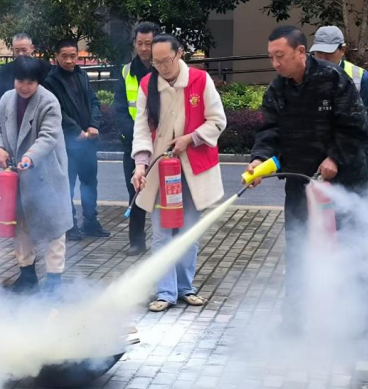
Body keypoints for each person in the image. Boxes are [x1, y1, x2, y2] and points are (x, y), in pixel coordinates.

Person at [244, 26, 368, 330]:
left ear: (301, 52)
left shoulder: (333, 79)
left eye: (280, 56)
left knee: (349, 247)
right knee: (298, 247)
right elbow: (269, 130)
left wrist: (334, 157)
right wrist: (259, 160)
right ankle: (295, 320)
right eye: (271, 57)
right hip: (301, 182)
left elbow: (355, 126)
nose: (275, 63)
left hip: (344, 182)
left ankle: (355, 320)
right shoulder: (278, 89)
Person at [131, 34, 227, 312]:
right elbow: (141, 128)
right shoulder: (147, 84)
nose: (162, 67)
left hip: (193, 168)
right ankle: (165, 292)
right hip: (161, 169)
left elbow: (218, 120)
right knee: (162, 233)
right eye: (156, 62)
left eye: (167, 61)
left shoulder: (200, 80)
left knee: (187, 232)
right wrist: (140, 164)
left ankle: (185, 287)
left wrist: (191, 138)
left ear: (180, 54)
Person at [0, 56, 73, 294]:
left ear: (38, 82)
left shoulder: (49, 101)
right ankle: (27, 276)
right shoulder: (7, 99)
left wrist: (29, 157)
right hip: (17, 176)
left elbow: (49, 136)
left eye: (30, 82)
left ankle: (54, 282)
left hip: (47, 173)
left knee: (55, 228)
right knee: (20, 224)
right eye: (20, 81)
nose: (24, 87)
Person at [44, 39, 109, 241]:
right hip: (67, 143)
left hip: (88, 141)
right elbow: (56, 111)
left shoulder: (82, 75)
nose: (69, 60)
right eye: (64, 56)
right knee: (68, 184)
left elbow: (94, 102)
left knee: (89, 183)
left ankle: (90, 221)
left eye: (73, 56)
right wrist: (75, 130)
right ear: (56, 56)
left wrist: (93, 125)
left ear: (78, 55)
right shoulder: (50, 82)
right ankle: (69, 224)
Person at [114, 21, 160, 256]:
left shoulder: (164, 69)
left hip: (162, 143)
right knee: (135, 192)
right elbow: (120, 109)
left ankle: (165, 241)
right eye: (139, 43)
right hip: (133, 144)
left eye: (148, 43)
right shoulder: (126, 72)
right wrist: (136, 136)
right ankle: (137, 242)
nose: (143, 48)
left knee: (165, 193)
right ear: (134, 44)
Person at [310, 26, 368, 110]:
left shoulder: (360, 78)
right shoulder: (305, 74)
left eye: (329, 52)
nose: (323, 58)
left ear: (343, 50)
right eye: (319, 52)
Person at [0, 33, 53, 114]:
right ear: (13, 50)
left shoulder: (44, 67)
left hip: (40, 112)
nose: (20, 54)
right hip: (13, 114)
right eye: (17, 51)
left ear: (32, 48)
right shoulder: (6, 70)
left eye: (24, 50)